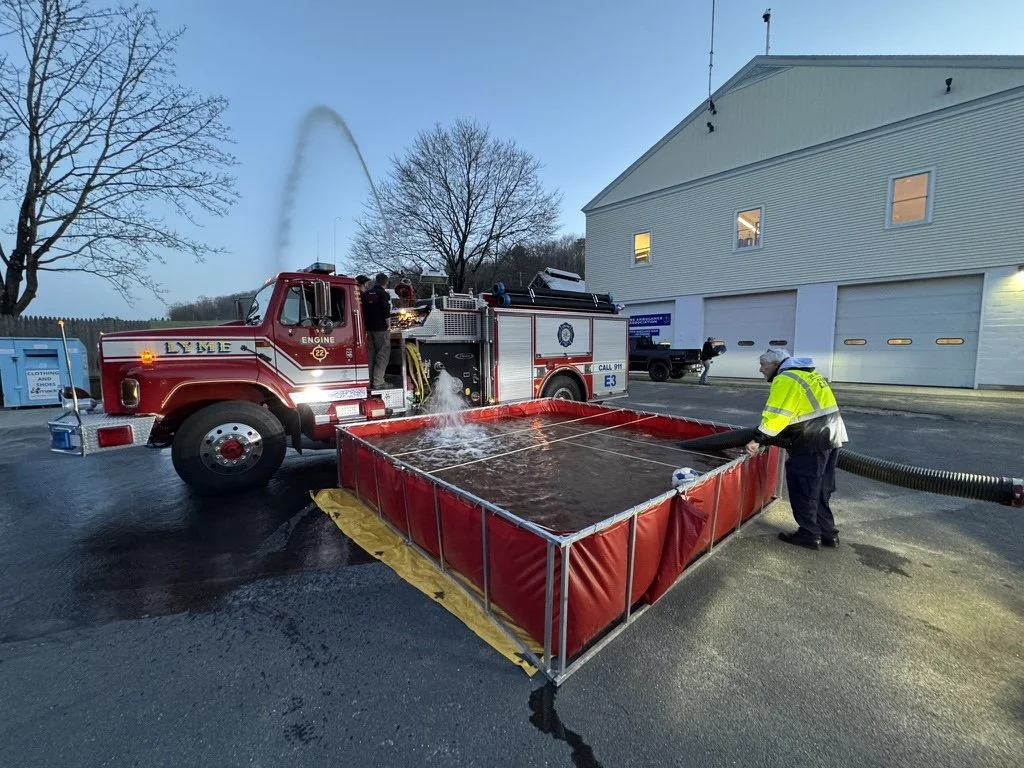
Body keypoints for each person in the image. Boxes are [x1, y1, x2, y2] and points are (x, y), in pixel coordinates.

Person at [744, 348, 848, 550]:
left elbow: (777, 415)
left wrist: (758, 439)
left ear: (775, 364)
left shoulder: (785, 379)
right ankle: (828, 533)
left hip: (811, 440)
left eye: (763, 365)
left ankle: (809, 534)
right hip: (831, 435)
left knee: (804, 488)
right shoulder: (809, 374)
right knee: (821, 488)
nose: (760, 369)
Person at [361, 273, 392, 390]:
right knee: (382, 355)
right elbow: (385, 311)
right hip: (381, 329)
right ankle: (378, 382)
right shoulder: (383, 294)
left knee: (370, 356)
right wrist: (389, 325)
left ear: (376, 281)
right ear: (386, 282)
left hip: (368, 330)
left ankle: (368, 381)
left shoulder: (365, 294)